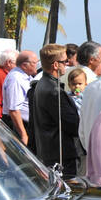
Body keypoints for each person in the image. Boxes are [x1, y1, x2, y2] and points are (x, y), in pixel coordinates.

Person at [32, 44, 82, 176]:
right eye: (64, 61)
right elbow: (73, 124)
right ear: (55, 65)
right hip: (61, 156)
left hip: (50, 152)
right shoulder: (54, 91)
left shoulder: (42, 84)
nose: (67, 64)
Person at [2, 49, 38, 150]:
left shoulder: (24, 76)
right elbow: (13, 110)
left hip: (24, 124)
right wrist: (23, 134)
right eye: (35, 63)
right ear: (24, 65)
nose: (37, 65)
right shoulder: (16, 79)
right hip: (19, 125)